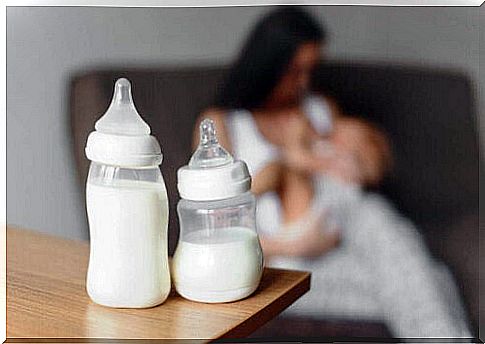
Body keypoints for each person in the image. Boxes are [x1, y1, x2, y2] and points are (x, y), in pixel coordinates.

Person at [193, 6, 471, 338]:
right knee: (431, 279)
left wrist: (344, 162)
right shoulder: (222, 124)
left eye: (310, 70)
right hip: (283, 258)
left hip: (349, 231)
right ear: (267, 65)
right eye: (295, 71)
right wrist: (291, 245)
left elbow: (365, 165)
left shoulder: (318, 109)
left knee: (378, 221)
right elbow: (210, 223)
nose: (303, 82)